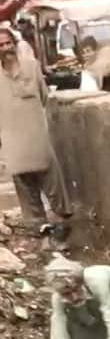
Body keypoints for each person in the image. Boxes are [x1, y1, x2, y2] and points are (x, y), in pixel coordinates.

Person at [0, 24, 71, 230]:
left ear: (15, 44)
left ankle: (65, 222)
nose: (6, 48)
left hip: (36, 136)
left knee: (52, 181)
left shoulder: (32, 67)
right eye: (1, 45)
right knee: (24, 186)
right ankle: (36, 227)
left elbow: (43, 97)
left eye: (8, 43)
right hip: (12, 143)